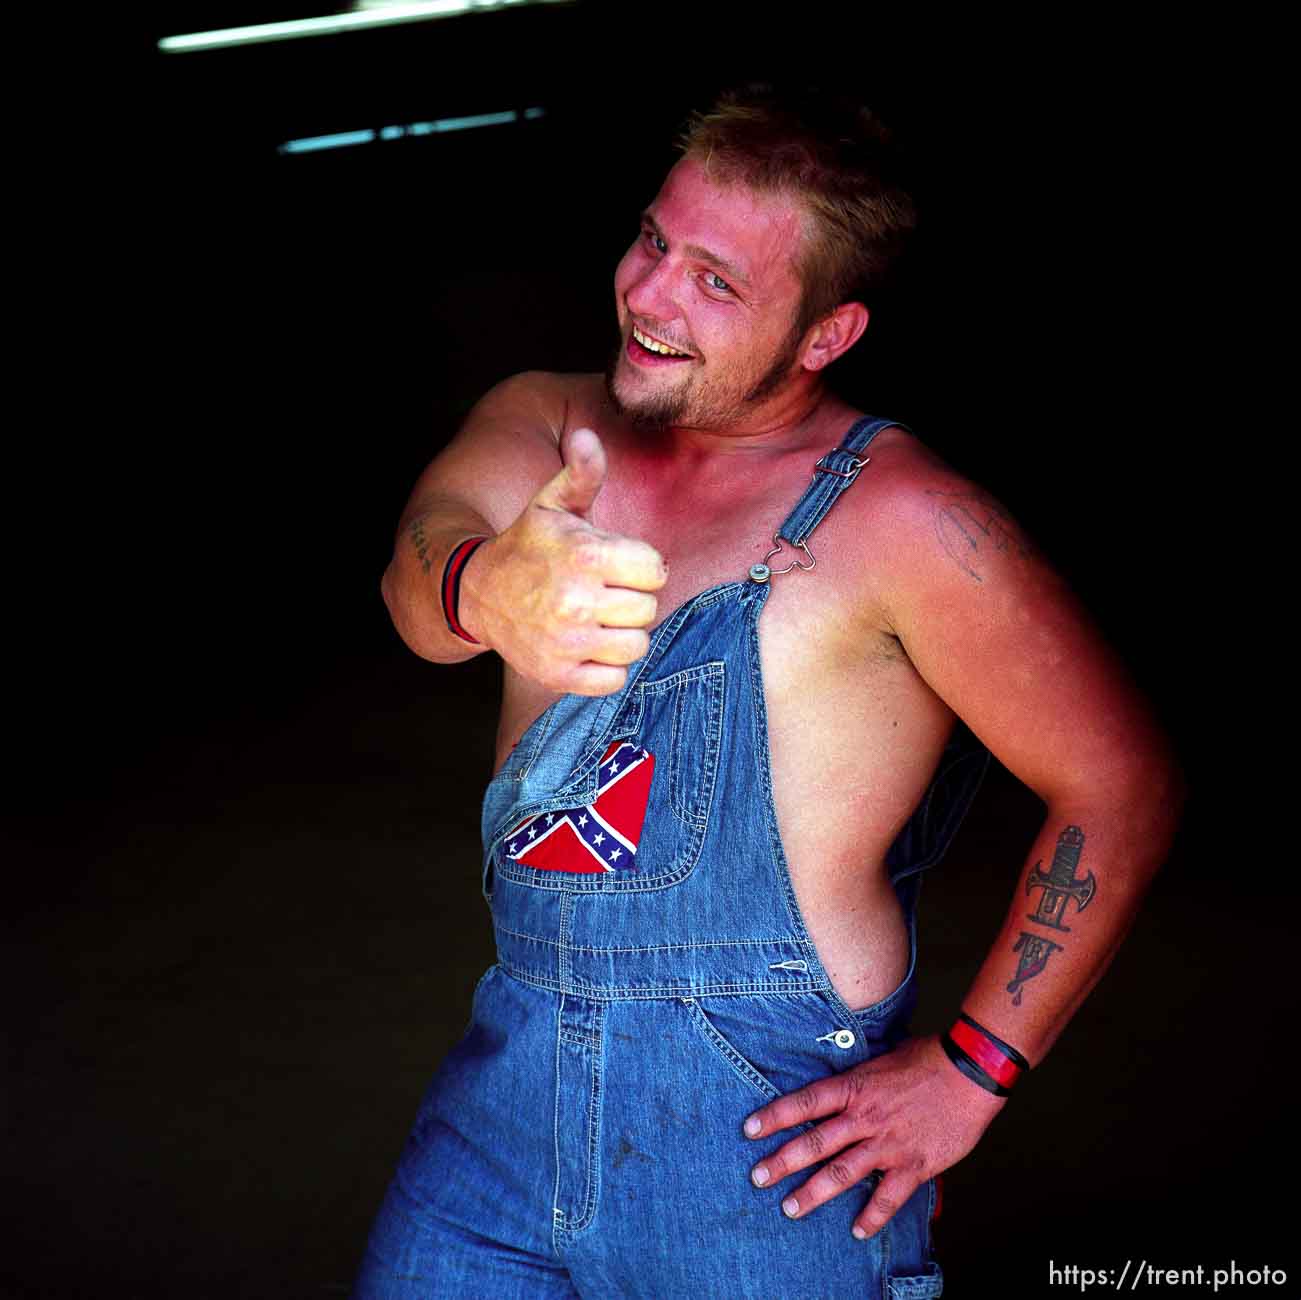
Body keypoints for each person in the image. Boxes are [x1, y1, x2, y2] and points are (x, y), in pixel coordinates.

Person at [353, 85, 1181, 1299]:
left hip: (760, 1145)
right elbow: (414, 573)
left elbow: (1122, 785)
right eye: (652, 241)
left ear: (824, 335)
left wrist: (971, 1070)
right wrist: (485, 587)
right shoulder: (548, 422)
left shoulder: (903, 520)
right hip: (501, 1104)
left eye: (716, 282)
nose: (647, 296)